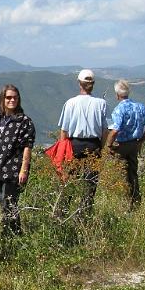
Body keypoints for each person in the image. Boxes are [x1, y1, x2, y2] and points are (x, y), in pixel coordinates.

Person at [57, 69, 108, 214]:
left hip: (73, 145)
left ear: (79, 83)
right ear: (93, 84)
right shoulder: (101, 104)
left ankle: (62, 214)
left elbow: (64, 131)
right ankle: (85, 215)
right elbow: (105, 130)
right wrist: (101, 148)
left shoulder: (70, 103)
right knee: (90, 185)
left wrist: (62, 152)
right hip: (94, 145)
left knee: (68, 182)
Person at [0, 85, 35, 234]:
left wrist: (24, 170)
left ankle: (13, 235)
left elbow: (27, 147)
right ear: (2, 99)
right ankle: (9, 234)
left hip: (14, 169)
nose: (12, 100)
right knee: (3, 204)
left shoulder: (24, 121)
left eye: (15, 97)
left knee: (11, 204)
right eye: (8, 97)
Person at [105, 80, 145, 209]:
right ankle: (135, 201)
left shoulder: (119, 109)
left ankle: (123, 203)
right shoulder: (140, 107)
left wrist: (108, 145)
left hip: (120, 146)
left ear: (117, 95)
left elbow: (115, 130)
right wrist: (141, 141)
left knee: (120, 174)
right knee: (133, 174)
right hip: (134, 145)